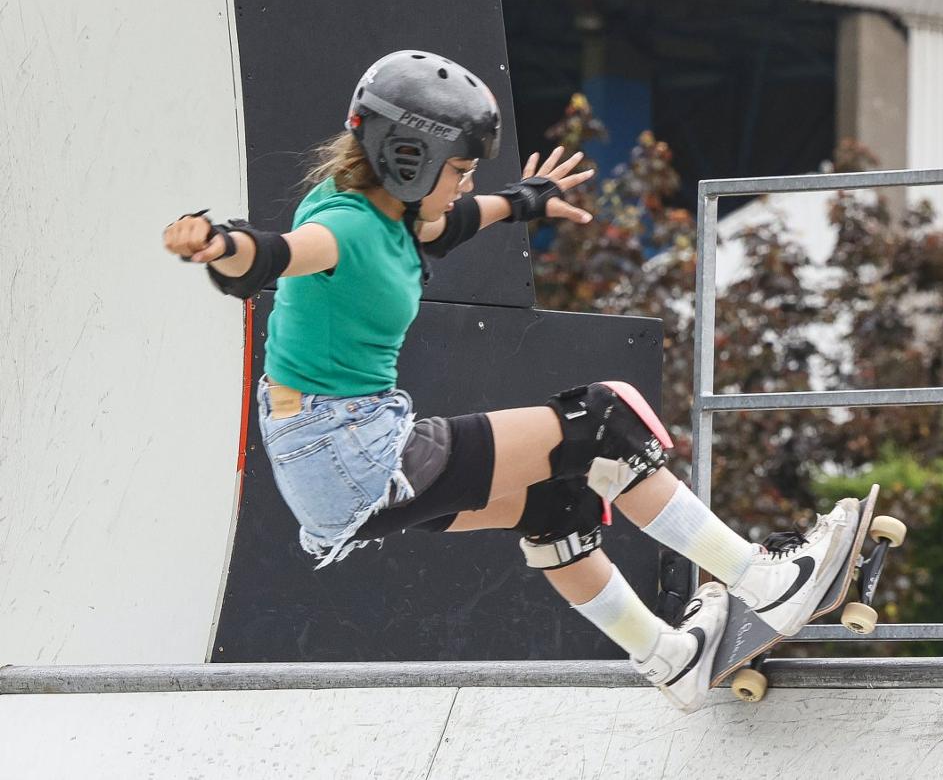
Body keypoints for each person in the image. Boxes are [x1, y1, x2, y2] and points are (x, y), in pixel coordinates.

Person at [162, 50, 855, 712]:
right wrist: (219, 244)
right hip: (348, 453)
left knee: (557, 499)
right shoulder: (343, 227)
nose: (467, 181)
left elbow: (447, 225)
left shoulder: (388, 210)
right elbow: (272, 256)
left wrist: (525, 200)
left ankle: (668, 657)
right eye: (460, 167)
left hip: (338, 454)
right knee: (604, 422)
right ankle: (764, 579)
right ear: (410, 158)